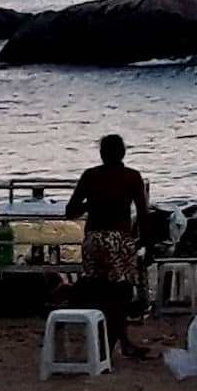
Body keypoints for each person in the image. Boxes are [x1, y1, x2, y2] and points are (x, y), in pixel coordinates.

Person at [65, 134, 151, 358]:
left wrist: (91, 202)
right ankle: (111, 345)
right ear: (123, 152)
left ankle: (116, 342)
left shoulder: (90, 176)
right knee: (121, 293)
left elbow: (71, 211)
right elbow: (143, 214)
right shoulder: (132, 177)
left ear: (101, 154)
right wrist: (144, 242)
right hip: (119, 240)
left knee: (98, 291)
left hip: (93, 239)